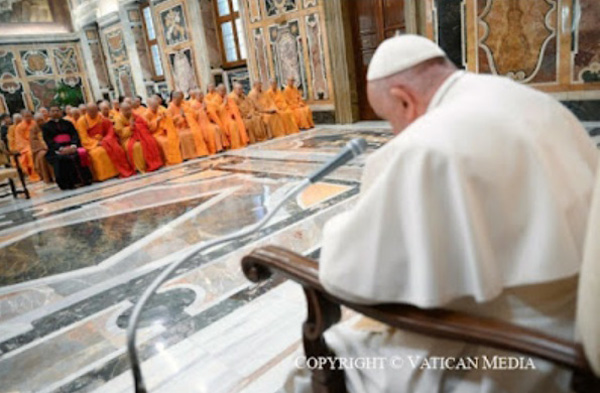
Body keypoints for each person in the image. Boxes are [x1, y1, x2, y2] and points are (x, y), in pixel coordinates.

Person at [283, 35, 599, 393]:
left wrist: (335, 229)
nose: (395, 132)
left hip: (514, 349)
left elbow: (352, 277)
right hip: (569, 319)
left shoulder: (428, 145)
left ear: (404, 99)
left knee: (314, 367)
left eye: (391, 120)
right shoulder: (530, 100)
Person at [77, 102, 135, 180]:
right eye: (91, 111)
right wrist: (97, 143)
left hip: (105, 140)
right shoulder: (82, 121)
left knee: (117, 149)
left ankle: (117, 171)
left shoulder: (101, 117)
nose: (94, 113)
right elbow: (84, 138)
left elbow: (110, 129)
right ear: (87, 111)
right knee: (98, 153)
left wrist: (106, 139)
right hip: (93, 144)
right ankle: (102, 176)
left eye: (95, 111)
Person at [42, 105, 93, 190]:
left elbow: (74, 135)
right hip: (57, 149)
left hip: (71, 146)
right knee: (62, 159)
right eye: (53, 111)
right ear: (49, 113)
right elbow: (49, 140)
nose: (55, 113)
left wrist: (73, 145)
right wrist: (60, 148)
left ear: (61, 112)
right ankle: (68, 184)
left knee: (80, 154)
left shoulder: (68, 123)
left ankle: (85, 180)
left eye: (57, 110)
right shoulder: (46, 127)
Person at [114, 102, 163, 173]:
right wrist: (130, 128)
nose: (128, 112)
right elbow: (121, 134)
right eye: (126, 110)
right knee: (137, 146)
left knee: (150, 141)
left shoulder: (135, 116)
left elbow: (145, 124)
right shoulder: (118, 119)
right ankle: (139, 167)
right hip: (127, 139)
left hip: (140, 135)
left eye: (129, 109)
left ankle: (151, 163)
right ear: (121, 110)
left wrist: (136, 126)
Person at [167, 91, 209, 159]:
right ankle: (187, 156)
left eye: (181, 100)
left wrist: (185, 115)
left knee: (195, 132)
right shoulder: (170, 108)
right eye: (178, 100)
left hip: (187, 126)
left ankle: (198, 153)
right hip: (177, 129)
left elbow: (192, 114)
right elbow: (170, 121)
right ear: (174, 98)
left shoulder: (183, 105)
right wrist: (180, 116)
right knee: (184, 136)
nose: (180, 102)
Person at [145, 96, 183, 165]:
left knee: (174, 138)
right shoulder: (147, 114)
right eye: (154, 108)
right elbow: (148, 127)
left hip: (165, 131)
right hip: (156, 133)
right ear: (150, 106)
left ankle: (175, 158)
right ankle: (168, 160)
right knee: (165, 142)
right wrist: (156, 121)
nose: (156, 109)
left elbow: (168, 119)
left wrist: (166, 118)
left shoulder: (161, 110)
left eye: (157, 107)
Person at [187, 89, 223, 154]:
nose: (201, 96)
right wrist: (202, 109)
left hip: (208, 122)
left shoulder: (205, 102)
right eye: (200, 95)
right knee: (213, 130)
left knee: (217, 128)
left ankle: (219, 148)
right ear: (196, 96)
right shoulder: (193, 105)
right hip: (200, 124)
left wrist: (207, 110)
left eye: (202, 94)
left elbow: (210, 113)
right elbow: (194, 116)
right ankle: (213, 149)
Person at [217, 84, 248, 149]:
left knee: (239, 122)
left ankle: (242, 141)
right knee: (233, 125)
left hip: (231, 116)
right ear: (218, 91)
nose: (223, 92)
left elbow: (234, 107)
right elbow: (218, 111)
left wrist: (233, 113)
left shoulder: (228, 98)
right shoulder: (215, 99)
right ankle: (235, 145)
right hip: (223, 119)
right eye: (222, 91)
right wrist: (224, 103)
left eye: (224, 90)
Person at [13, 110, 40, 181]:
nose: (28, 118)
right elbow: (20, 140)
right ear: (23, 117)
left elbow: (39, 135)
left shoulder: (35, 124)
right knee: (30, 153)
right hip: (26, 146)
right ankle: (35, 174)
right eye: (26, 116)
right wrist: (30, 146)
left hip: (37, 143)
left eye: (30, 116)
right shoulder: (19, 127)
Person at [30, 113, 53, 184]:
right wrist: (43, 147)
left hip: (52, 145)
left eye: (41, 120)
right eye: (38, 121)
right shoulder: (33, 129)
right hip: (40, 149)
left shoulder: (49, 126)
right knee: (43, 155)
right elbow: (34, 141)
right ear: (35, 121)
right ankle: (48, 177)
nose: (40, 122)